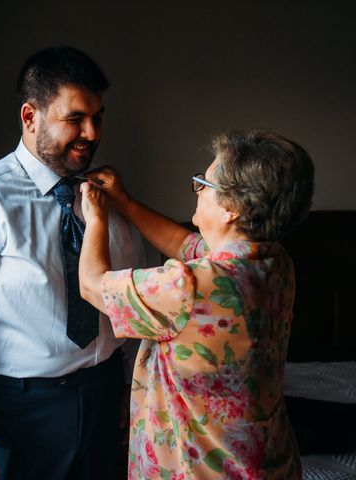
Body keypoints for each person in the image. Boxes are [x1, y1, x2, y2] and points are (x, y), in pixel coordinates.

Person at [0, 46, 140, 480]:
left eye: (98, 117)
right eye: (75, 118)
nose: (92, 132)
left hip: (102, 396)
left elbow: (127, 297)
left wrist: (128, 384)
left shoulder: (107, 198)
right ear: (30, 116)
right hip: (19, 410)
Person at [79, 129, 314, 479]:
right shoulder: (272, 260)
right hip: (263, 461)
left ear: (231, 209)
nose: (199, 188)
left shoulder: (189, 287)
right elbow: (182, 242)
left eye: (204, 182)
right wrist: (123, 200)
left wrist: (95, 218)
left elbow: (92, 286)